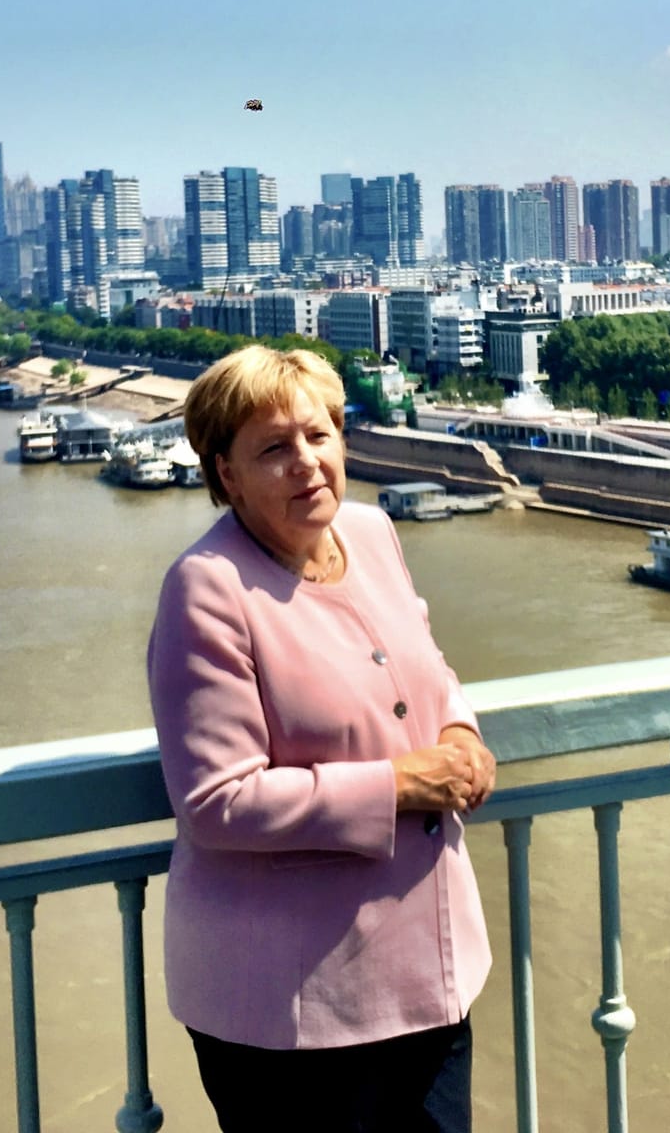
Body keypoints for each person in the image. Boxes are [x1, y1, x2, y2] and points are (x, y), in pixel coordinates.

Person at [147, 345, 494, 1132]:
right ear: (226, 474)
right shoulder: (208, 588)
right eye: (273, 448)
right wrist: (402, 785)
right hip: (290, 1011)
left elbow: (428, 669)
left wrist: (461, 735)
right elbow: (216, 800)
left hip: (427, 979)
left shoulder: (371, 533)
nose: (305, 462)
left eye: (319, 435)